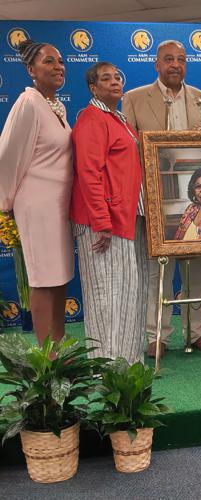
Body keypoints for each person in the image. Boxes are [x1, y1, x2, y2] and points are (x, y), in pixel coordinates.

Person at [122, 39, 201, 358]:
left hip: (196, 200)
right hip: (154, 200)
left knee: (197, 269)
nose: (175, 64)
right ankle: (157, 337)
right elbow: (129, 152)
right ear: (156, 64)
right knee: (158, 272)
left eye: (181, 59)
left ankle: (197, 333)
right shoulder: (134, 99)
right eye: (168, 59)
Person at [70, 62, 146, 363]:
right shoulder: (91, 119)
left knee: (126, 294)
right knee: (106, 297)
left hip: (125, 218)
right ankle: (105, 368)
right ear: (93, 87)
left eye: (117, 77)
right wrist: (101, 221)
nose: (114, 82)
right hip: (104, 222)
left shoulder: (119, 119)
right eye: (106, 78)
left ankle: (127, 364)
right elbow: (89, 173)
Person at [0, 39, 74, 345]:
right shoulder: (28, 103)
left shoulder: (56, 106)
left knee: (60, 278)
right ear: (31, 70)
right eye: (48, 62)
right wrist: (5, 207)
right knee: (44, 279)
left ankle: (60, 347)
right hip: (37, 206)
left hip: (58, 208)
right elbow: (8, 156)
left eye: (59, 61)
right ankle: (48, 358)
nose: (58, 67)